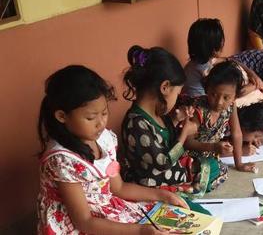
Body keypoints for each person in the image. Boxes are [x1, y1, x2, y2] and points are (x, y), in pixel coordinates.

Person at [37, 65, 189, 235]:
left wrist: (162, 195)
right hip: (78, 224)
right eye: (90, 117)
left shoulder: (104, 140)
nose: (101, 123)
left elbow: (119, 188)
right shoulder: (62, 161)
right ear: (62, 116)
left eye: (104, 113)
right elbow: (84, 222)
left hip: (102, 208)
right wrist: (140, 231)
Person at [120, 45, 203, 195]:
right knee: (204, 173)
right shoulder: (135, 123)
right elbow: (163, 162)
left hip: (169, 175)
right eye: (177, 93)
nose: (177, 98)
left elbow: (165, 140)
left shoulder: (157, 114)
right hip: (151, 184)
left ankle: (188, 184)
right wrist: (184, 134)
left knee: (209, 166)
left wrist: (176, 120)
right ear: (165, 87)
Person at [184, 61, 257, 195]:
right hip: (190, 157)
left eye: (226, 97)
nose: (219, 102)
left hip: (210, 157)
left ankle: (193, 183)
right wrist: (213, 147)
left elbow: (236, 133)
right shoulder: (198, 109)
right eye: (213, 94)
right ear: (207, 89)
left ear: (235, 96)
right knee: (212, 171)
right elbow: (187, 142)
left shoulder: (231, 106)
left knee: (220, 169)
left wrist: (239, 164)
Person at [181, 18, 263, 98]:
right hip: (200, 106)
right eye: (220, 40)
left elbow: (229, 59)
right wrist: (255, 85)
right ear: (213, 48)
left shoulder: (199, 61)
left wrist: (251, 73)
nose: (222, 43)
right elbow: (237, 93)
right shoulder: (205, 69)